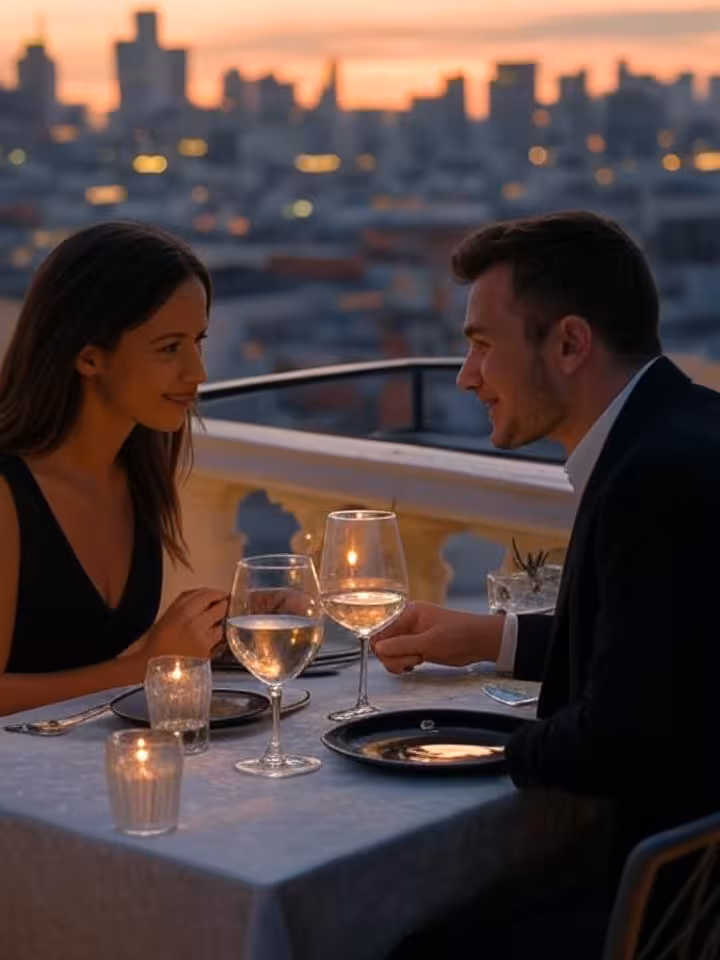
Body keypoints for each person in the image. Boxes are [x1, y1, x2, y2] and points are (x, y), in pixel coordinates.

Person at [374, 211, 720, 905]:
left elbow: (617, 739)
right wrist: (492, 638)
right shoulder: (690, 426)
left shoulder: (651, 480)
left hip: (670, 911)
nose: (467, 377)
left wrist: (478, 747)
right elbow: (666, 647)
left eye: (481, 345)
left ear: (569, 344)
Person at [0, 221, 228, 716]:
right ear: (89, 358)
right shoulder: (7, 493)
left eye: (198, 341)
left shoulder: (135, 475)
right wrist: (153, 663)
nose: (198, 373)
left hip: (88, 775)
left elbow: (82, 656)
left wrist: (223, 629)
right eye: (169, 348)